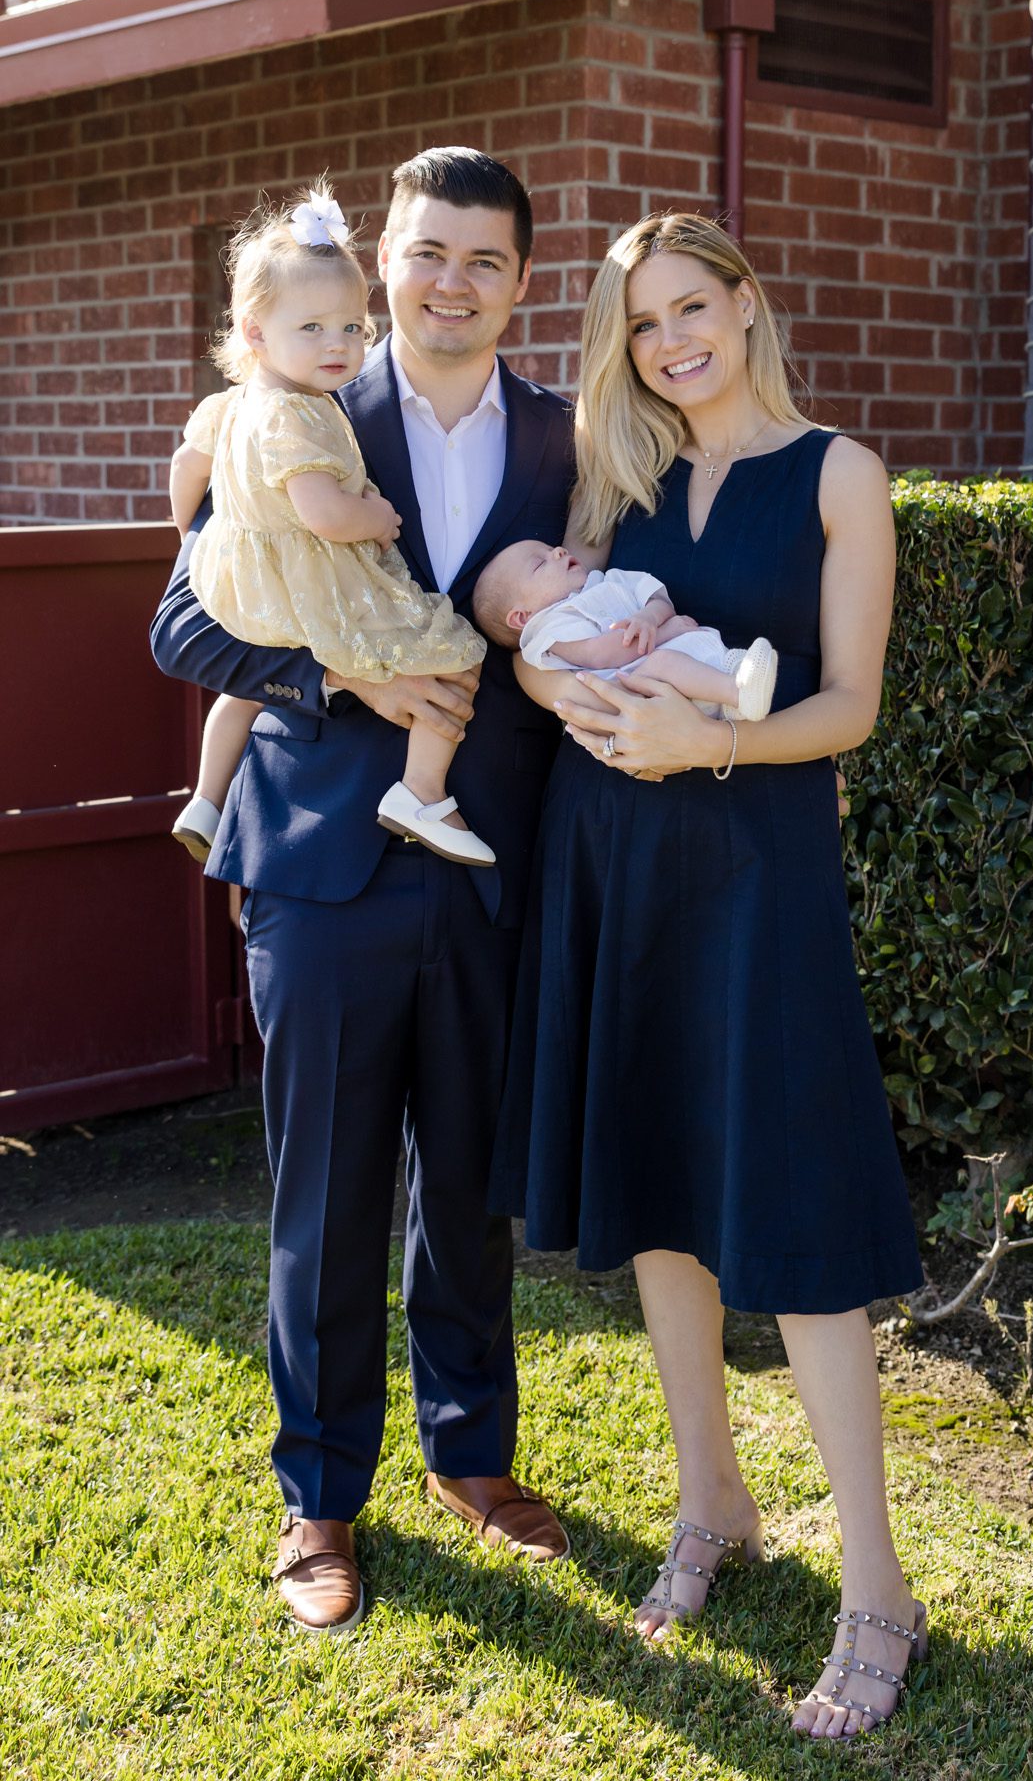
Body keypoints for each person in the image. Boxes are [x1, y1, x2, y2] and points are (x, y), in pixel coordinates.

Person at [490, 212, 928, 1739]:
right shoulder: (617, 480)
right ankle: (711, 1501)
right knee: (661, 1190)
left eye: (690, 307)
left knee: (793, 1214)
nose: (670, 341)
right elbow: (544, 632)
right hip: (613, 867)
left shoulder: (840, 473)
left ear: (744, 303)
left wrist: (710, 740)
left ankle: (877, 1588)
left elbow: (851, 705)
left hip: (757, 876)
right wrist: (548, 677)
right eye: (641, 322)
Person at [151, 148, 575, 1633]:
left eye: (483, 259)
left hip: (490, 865)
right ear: (386, 259)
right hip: (321, 869)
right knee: (324, 1196)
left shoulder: (569, 437)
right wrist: (338, 679)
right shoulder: (296, 400)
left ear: (521, 282)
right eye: (428, 251)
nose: (451, 281)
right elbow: (184, 627)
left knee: (467, 1186)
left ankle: (473, 1453)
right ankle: (321, 1494)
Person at [168, 182, 493, 869]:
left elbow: (184, 467)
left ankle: (205, 797)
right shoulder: (301, 414)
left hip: (248, 582)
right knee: (456, 652)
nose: (337, 345)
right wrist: (375, 516)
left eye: (350, 327)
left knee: (237, 695)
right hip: (311, 840)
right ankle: (422, 791)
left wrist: (205, 543)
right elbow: (319, 514)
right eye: (312, 329)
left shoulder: (230, 406)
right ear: (255, 332)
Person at [471, 537, 777, 721]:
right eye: (540, 564)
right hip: (642, 685)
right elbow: (601, 655)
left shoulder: (607, 580)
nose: (559, 552)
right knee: (664, 662)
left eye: (551, 548)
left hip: (687, 664)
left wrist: (650, 617)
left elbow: (657, 599)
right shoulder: (550, 630)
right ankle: (737, 692)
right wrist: (664, 633)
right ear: (521, 618)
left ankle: (736, 686)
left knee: (687, 652)